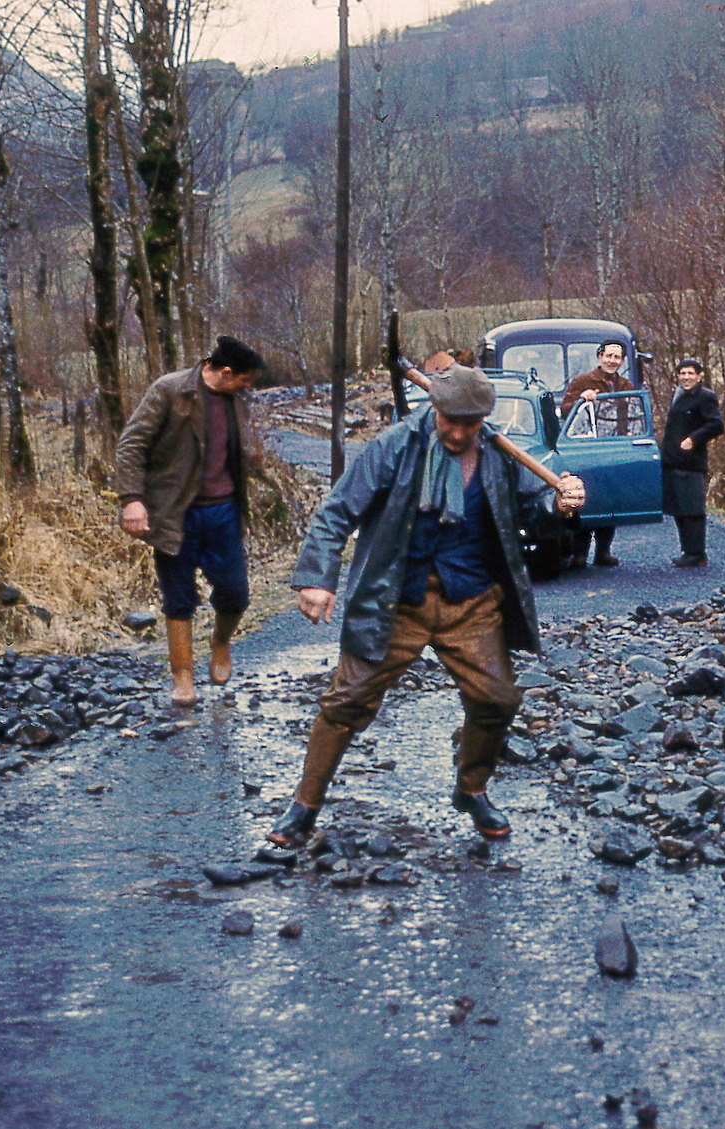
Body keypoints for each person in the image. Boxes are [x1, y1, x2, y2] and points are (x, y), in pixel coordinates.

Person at [267, 366, 587, 846]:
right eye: (449, 421)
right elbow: (336, 512)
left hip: (471, 602)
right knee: (346, 702)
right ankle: (304, 807)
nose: (458, 433)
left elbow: (534, 509)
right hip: (395, 599)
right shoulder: (393, 447)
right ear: (432, 409)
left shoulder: (500, 456)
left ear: (484, 419)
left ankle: (471, 787)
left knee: (497, 699)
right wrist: (317, 578)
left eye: (470, 424)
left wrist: (559, 505)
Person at [116, 335, 267, 707]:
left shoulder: (234, 400)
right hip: (175, 512)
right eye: (243, 379)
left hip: (224, 512)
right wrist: (132, 499)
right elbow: (131, 445)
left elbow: (233, 453)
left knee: (235, 593)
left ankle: (220, 641)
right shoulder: (170, 391)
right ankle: (183, 676)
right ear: (226, 372)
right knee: (178, 598)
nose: (247, 387)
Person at [557, 339, 633, 568]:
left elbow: (630, 415)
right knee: (585, 498)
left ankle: (603, 552)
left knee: (609, 499)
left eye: (617, 357)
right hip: (586, 447)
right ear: (600, 357)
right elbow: (564, 410)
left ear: (622, 361)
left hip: (613, 446)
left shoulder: (626, 385)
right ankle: (580, 554)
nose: (612, 361)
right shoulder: (582, 381)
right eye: (608, 356)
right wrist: (582, 399)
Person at [661, 357, 725, 568]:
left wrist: (693, 439)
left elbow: (716, 424)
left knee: (693, 510)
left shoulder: (706, 397)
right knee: (680, 509)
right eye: (683, 373)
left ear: (699, 376)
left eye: (690, 373)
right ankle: (688, 552)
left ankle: (698, 554)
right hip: (673, 461)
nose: (686, 377)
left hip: (692, 462)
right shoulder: (678, 395)